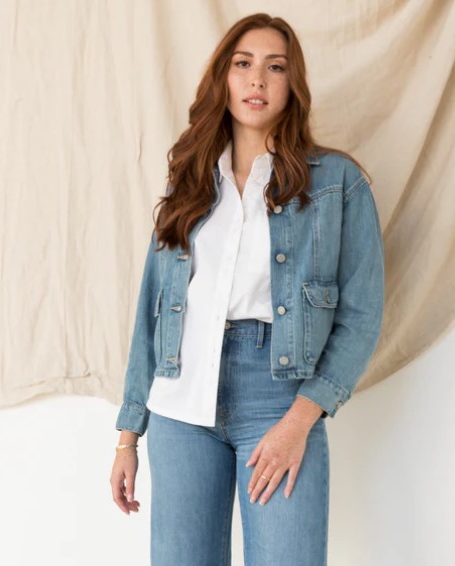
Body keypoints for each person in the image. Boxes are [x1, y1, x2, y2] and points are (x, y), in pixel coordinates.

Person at [110, 12, 384, 566]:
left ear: (292, 85)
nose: (257, 79)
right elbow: (152, 311)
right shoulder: (188, 182)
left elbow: (362, 314)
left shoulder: (336, 184)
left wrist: (300, 420)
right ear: (224, 78)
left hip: (278, 397)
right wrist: (128, 435)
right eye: (243, 64)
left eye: (275, 67)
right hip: (181, 402)